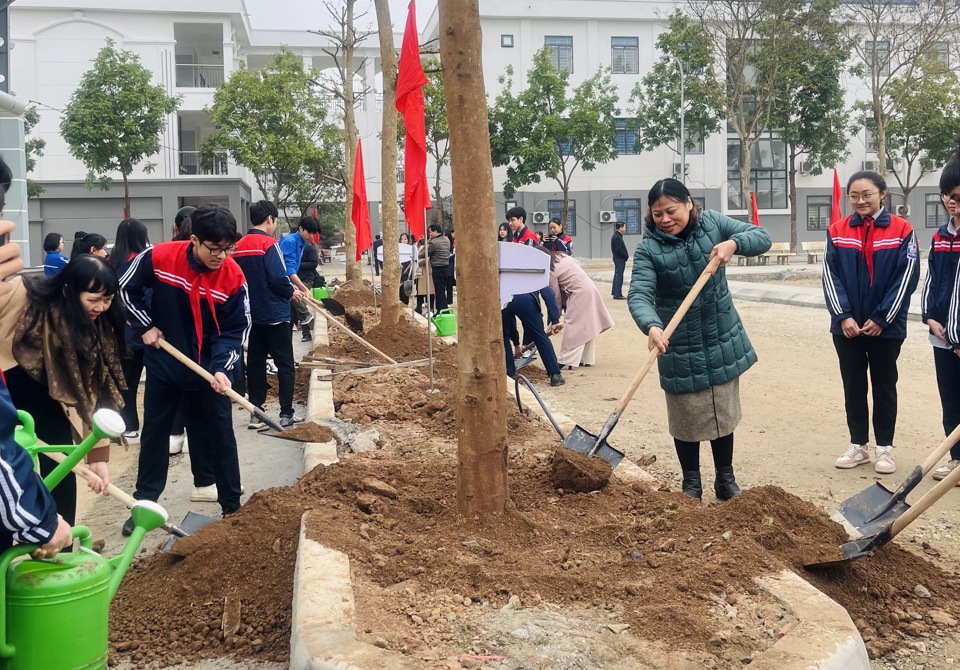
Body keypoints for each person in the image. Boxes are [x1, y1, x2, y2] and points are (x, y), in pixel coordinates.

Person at [628, 178, 771, 502]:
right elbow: (639, 293)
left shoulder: (713, 223)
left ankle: (726, 480)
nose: (665, 219)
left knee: (722, 412)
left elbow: (761, 237)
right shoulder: (649, 247)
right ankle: (691, 483)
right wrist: (651, 326)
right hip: (678, 343)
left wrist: (733, 244)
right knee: (685, 417)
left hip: (721, 337)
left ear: (689, 203)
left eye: (671, 210)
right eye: (657, 213)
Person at [118, 204, 250, 533]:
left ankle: (232, 508)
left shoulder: (233, 276)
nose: (222, 255)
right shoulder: (160, 258)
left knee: (221, 436)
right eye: (214, 248)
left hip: (209, 373)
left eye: (228, 247)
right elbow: (124, 287)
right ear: (194, 239)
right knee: (154, 436)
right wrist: (144, 325)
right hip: (166, 366)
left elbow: (235, 331)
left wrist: (222, 368)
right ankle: (143, 506)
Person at [0, 255, 126, 526]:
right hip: (7, 393)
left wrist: (96, 456)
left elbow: (93, 390)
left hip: (50, 402)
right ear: (69, 289)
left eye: (108, 300)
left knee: (61, 470)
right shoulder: (24, 293)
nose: (101, 307)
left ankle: (60, 547)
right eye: (93, 300)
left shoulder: (94, 327)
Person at [0, 162, 74, 557]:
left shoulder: (34, 292)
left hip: (21, 377)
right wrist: (40, 523)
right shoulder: (43, 286)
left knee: (52, 446)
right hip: (15, 379)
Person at [824, 171, 919, 476]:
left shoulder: (902, 229)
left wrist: (882, 317)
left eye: (867, 194)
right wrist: (844, 316)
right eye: (854, 195)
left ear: (882, 194)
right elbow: (830, 276)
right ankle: (858, 446)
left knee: (884, 384)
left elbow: (906, 276)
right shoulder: (837, 230)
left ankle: (885, 450)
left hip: (886, 328)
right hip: (848, 327)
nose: (860, 201)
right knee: (852, 384)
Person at [234, 200, 303, 430]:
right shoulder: (269, 244)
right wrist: (291, 292)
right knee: (284, 364)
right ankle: (285, 414)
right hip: (275, 313)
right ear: (270, 219)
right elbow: (277, 278)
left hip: (250, 317)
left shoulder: (238, 246)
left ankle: (257, 413)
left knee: (255, 363)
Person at [922, 156, 960, 482]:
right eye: (947, 195)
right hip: (942, 335)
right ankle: (957, 461)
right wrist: (930, 318)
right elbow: (931, 280)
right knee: (950, 399)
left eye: (959, 197)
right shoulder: (940, 236)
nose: (952, 203)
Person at [108, 218, 151, 444]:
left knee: (127, 383)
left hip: (119, 334)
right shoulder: (141, 263)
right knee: (153, 384)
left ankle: (129, 427)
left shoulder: (111, 262)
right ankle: (150, 429)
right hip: (143, 332)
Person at [548, 250, 614, 369]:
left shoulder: (551, 271)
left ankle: (565, 359)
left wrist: (554, 319)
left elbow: (555, 297)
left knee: (574, 326)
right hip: (589, 286)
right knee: (587, 325)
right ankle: (586, 358)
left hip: (578, 292)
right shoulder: (561, 256)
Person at [502, 270, 565, 387]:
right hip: (527, 298)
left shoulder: (503, 258)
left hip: (504, 297)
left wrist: (516, 344)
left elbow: (510, 324)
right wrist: (555, 320)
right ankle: (555, 376)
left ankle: (509, 374)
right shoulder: (535, 262)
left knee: (503, 336)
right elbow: (548, 294)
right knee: (539, 336)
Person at [279, 216, 319, 331]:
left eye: (313, 233)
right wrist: (304, 288)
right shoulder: (290, 241)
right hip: (279, 284)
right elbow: (289, 269)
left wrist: (295, 285)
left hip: (287, 283)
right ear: (301, 229)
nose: (311, 236)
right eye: (309, 232)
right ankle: (305, 316)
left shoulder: (302, 243)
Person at [418, 224, 450, 313]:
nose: (429, 234)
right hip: (446, 267)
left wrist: (416, 255)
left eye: (430, 232)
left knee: (438, 290)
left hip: (437, 269)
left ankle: (441, 310)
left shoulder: (434, 242)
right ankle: (444, 308)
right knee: (442, 289)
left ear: (436, 232)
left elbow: (426, 254)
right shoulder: (446, 240)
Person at [297, 235, 321, 342]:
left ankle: (306, 332)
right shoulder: (292, 248)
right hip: (293, 279)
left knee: (298, 300)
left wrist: (297, 265)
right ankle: (305, 331)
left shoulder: (309, 247)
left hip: (306, 279)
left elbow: (314, 263)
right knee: (296, 305)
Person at [611, 221, 629, 300]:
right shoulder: (617, 237)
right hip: (619, 258)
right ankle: (618, 294)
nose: (625, 228)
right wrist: (625, 255)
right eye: (624, 227)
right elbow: (618, 249)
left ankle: (615, 292)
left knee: (617, 275)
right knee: (619, 275)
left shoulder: (617, 236)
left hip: (618, 258)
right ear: (621, 227)